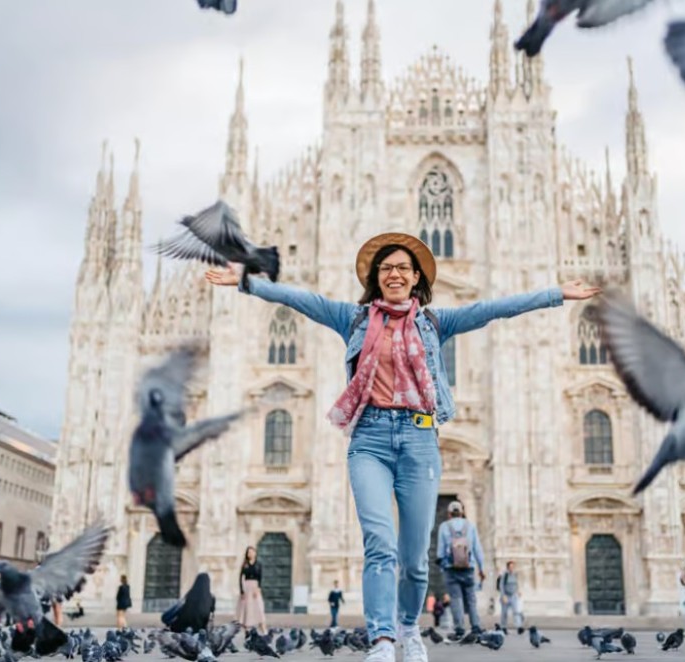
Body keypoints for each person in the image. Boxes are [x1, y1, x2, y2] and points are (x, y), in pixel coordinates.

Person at [207, 232, 598, 662]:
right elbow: (301, 299)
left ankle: (408, 627)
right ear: (376, 278)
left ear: (416, 279)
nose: (394, 274)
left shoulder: (435, 324)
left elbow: (491, 310)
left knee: (414, 560)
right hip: (369, 438)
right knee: (380, 544)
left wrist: (556, 294)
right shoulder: (353, 319)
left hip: (419, 439)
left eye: (403, 268)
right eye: (386, 268)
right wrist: (246, 283)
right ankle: (381, 639)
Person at [437, 500, 486, 638]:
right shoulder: (470, 526)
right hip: (468, 567)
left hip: (451, 568)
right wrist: (481, 569)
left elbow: (440, 551)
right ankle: (475, 626)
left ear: (449, 514)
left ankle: (459, 628)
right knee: (471, 598)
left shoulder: (444, 527)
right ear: (462, 512)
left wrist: (442, 567)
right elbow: (477, 549)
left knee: (456, 598)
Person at [236, 546, 266, 633]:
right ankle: (247, 632)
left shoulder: (258, 564)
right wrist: (242, 591)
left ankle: (264, 629)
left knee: (259, 608)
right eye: (249, 552)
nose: (250, 554)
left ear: (255, 553)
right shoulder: (245, 564)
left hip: (255, 587)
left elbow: (260, 577)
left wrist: (258, 588)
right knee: (246, 609)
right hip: (246, 587)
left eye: (252, 552)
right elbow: (241, 577)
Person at [498, 560, 524, 630]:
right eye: (510, 567)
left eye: (513, 567)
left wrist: (518, 591)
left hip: (513, 596)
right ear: (508, 567)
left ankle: (519, 626)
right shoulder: (505, 575)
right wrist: (503, 595)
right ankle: (503, 627)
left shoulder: (515, 574)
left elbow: (517, 584)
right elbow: (501, 585)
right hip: (506, 596)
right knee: (504, 613)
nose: (512, 568)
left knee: (516, 611)